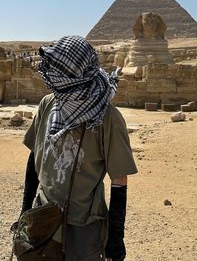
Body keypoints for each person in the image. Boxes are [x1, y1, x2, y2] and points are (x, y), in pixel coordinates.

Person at [21, 35, 138, 261]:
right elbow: (34, 156)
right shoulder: (48, 104)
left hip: (83, 226)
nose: (50, 73)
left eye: (57, 68)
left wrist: (116, 236)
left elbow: (119, 180)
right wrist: (25, 208)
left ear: (74, 72)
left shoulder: (108, 117)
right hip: (43, 216)